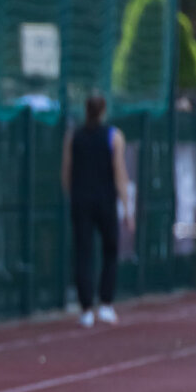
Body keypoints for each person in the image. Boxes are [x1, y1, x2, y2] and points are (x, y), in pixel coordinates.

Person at [61, 94, 134, 327]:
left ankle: (85, 309)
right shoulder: (114, 136)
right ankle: (105, 304)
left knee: (83, 252)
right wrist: (126, 206)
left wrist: (70, 193)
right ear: (103, 111)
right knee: (109, 250)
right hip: (104, 200)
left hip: (81, 199)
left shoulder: (74, 135)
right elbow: (120, 172)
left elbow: (66, 169)